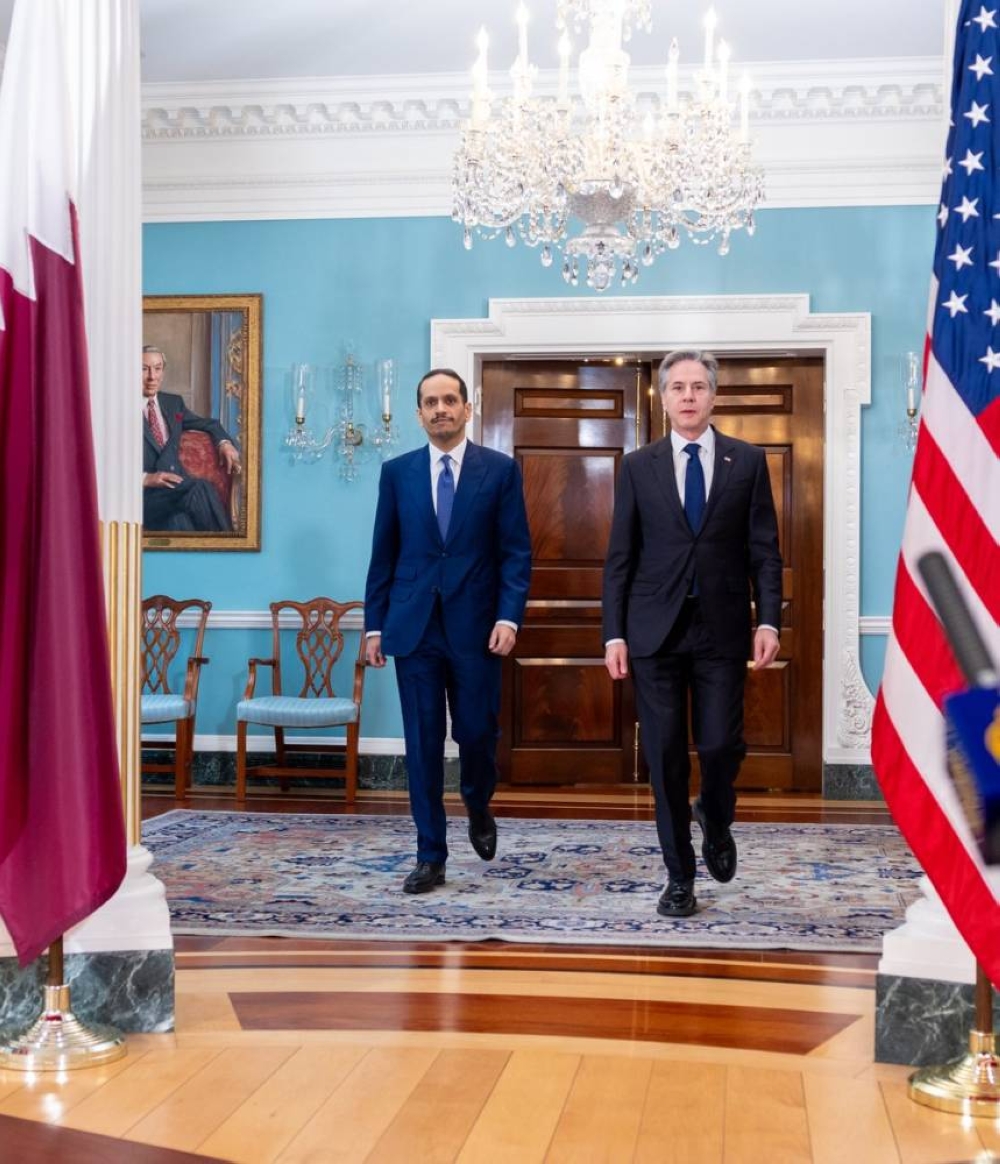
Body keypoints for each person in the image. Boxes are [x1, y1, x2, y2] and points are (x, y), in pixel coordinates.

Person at [603, 349, 782, 918]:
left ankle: (716, 813)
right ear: (662, 395)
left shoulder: (746, 462)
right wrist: (614, 635)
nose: (687, 395)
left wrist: (770, 618)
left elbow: (766, 553)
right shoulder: (638, 466)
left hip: (722, 630)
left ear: (714, 395)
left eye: (698, 386)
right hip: (653, 633)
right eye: (677, 386)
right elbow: (619, 559)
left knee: (721, 745)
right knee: (663, 757)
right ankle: (679, 877)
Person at [364, 368, 532, 894]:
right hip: (413, 630)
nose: (441, 409)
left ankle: (478, 802)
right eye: (431, 402)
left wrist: (509, 617)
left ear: (466, 408)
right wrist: (374, 626)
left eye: (449, 400)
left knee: (477, 735)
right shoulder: (397, 473)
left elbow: (515, 553)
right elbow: (383, 555)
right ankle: (430, 855)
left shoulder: (499, 472)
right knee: (422, 744)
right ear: (419, 413)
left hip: (477, 630)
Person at [142, 345, 241, 532]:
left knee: (179, 523)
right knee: (199, 489)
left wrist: (225, 443)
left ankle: (216, 558)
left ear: (163, 371)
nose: (152, 377)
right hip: (144, 499)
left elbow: (209, 424)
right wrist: (146, 478)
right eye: (144, 368)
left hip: (176, 495)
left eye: (157, 368)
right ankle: (231, 548)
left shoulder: (173, 404)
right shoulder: (120, 408)